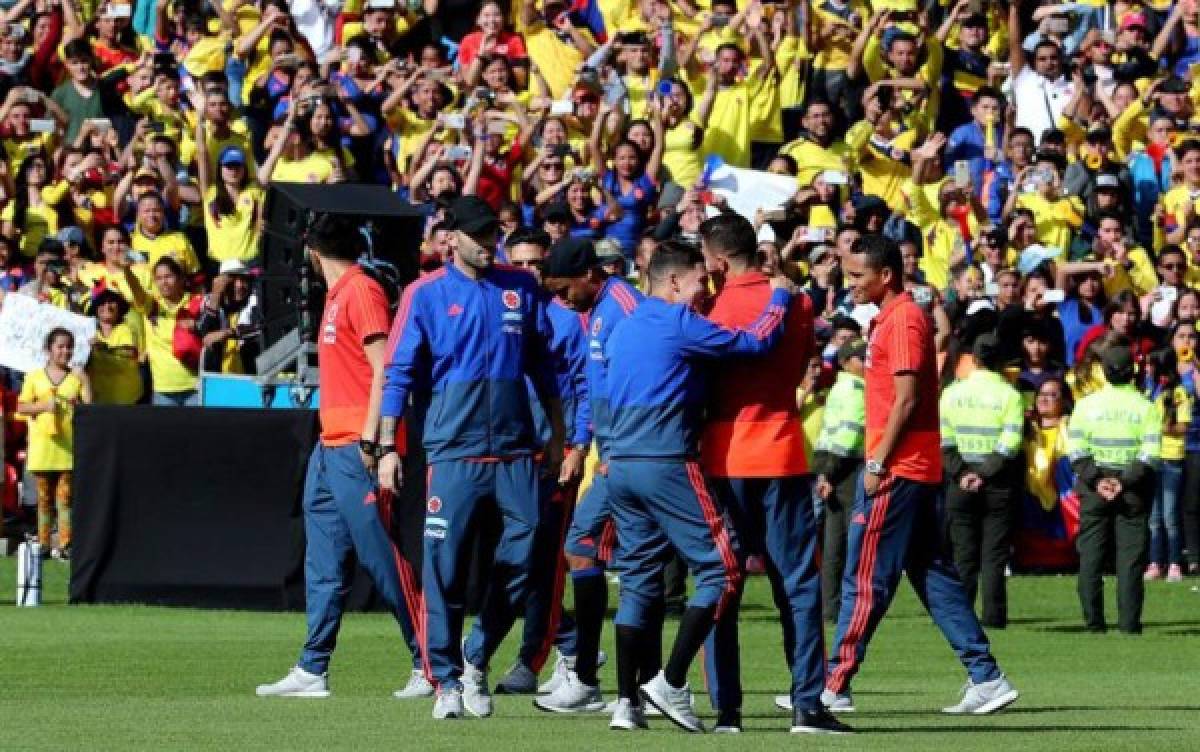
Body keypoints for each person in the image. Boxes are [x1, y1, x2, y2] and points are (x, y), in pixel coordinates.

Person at [378, 195, 565, 720]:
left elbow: (543, 368)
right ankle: (446, 683)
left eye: (493, 236)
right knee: (445, 569)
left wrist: (558, 434)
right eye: (478, 236)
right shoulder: (425, 294)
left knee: (525, 561)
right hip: (453, 453)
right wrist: (388, 446)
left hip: (513, 452)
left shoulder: (521, 288)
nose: (488, 245)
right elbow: (397, 374)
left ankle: (477, 655)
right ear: (450, 238)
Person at [601, 241, 791, 733]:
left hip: (619, 465)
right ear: (671, 283)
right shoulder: (676, 321)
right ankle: (672, 681)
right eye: (698, 284)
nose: (706, 293)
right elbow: (753, 344)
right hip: (665, 460)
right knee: (723, 568)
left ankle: (626, 703)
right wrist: (780, 299)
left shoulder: (626, 327)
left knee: (639, 581)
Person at [825, 233, 1018, 715]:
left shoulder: (904, 320)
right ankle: (987, 677)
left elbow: (908, 400)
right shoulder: (893, 319)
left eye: (856, 276)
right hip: (910, 468)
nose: (850, 285)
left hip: (898, 470)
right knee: (933, 576)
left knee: (865, 578)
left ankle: (832, 684)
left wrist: (876, 463)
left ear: (884, 275)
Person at [255, 213, 427, 701]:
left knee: (381, 557)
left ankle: (428, 660)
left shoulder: (361, 290)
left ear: (310, 252)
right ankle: (313, 667)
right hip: (330, 446)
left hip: (358, 446)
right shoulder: (337, 294)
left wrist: (377, 441)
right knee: (323, 561)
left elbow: (385, 369)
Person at [695, 213, 847, 734]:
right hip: (781, 450)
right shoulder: (798, 303)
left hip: (725, 453)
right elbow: (805, 356)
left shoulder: (707, 307)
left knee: (722, 586)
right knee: (798, 583)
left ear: (715, 260)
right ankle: (807, 703)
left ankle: (727, 711)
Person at [476, 229, 590, 695]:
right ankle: (569, 642)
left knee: (540, 563)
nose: (531, 272)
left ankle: (530, 658)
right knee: (503, 560)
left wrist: (576, 447)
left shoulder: (564, 321)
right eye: (521, 262)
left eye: (538, 264)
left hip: (547, 459)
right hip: (498, 454)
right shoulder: (497, 315)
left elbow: (585, 389)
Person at [535, 236, 645, 714]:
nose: (561, 299)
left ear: (587, 274)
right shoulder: (599, 309)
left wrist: (618, 446)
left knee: (642, 564)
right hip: (610, 449)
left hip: (632, 450)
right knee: (581, 549)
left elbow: (642, 375)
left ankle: (647, 681)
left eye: (563, 288)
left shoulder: (624, 305)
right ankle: (587, 676)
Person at [1068, 342, 1160, 634]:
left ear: (1104, 372)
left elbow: (1077, 451)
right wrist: (1122, 481)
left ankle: (1093, 622)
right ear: (1133, 371)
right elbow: (1149, 454)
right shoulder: (1145, 407)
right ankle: (1129, 624)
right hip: (1131, 487)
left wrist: (1098, 480)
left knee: (1091, 557)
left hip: (1095, 486)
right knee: (1130, 560)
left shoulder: (1085, 405)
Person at [940, 333, 1025, 628]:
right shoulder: (1010, 396)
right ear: (1000, 362)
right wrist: (984, 473)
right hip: (997, 481)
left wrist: (964, 474)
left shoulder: (951, 393)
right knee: (994, 555)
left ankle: (961, 619)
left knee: (963, 554)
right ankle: (994, 616)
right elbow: (1010, 443)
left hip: (960, 480)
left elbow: (945, 442)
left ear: (973, 360)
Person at [16, 327, 92, 560]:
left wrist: (85, 381)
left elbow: (89, 410)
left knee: (65, 499)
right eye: (60, 346)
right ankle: (44, 544)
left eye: (69, 347)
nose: (65, 351)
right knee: (43, 500)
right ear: (48, 350)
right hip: (42, 448)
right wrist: (42, 406)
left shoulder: (75, 377)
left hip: (68, 448)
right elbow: (21, 406)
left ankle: (66, 544)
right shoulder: (34, 377)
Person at [812, 337, 866, 624]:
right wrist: (830, 473)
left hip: (833, 468)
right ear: (846, 362)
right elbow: (847, 436)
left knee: (834, 545)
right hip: (847, 469)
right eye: (861, 358)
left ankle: (829, 607)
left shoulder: (837, 389)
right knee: (852, 542)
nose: (866, 363)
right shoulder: (857, 391)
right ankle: (849, 604)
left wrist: (822, 471)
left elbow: (826, 433)